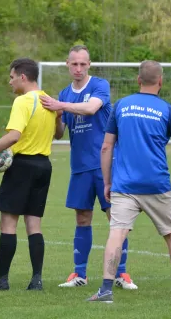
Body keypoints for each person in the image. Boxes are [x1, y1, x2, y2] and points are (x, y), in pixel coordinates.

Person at [87, 60, 171, 303]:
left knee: (116, 234)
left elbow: (106, 147)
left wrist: (107, 182)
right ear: (161, 81)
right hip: (157, 185)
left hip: (125, 184)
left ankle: (106, 290)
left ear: (138, 80)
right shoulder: (167, 110)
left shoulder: (121, 106)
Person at [40, 45, 137, 290]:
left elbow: (91, 108)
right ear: (67, 64)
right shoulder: (65, 93)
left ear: (89, 64)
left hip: (105, 165)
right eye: (74, 64)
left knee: (115, 219)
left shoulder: (99, 85)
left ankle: (121, 273)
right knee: (82, 218)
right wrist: (58, 116)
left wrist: (60, 105)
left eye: (83, 64)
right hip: (80, 167)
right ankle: (79, 274)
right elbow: (61, 133)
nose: (79, 68)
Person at [0, 58, 57, 292]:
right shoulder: (49, 100)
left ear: (23, 77)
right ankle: (36, 280)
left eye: (12, 77)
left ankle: (2, 280)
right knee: (34, 224)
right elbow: (59, 131)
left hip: (22, 165)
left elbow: (13, 136)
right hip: (44, 165)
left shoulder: (23, 101)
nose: (10, 81)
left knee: (8, 223)